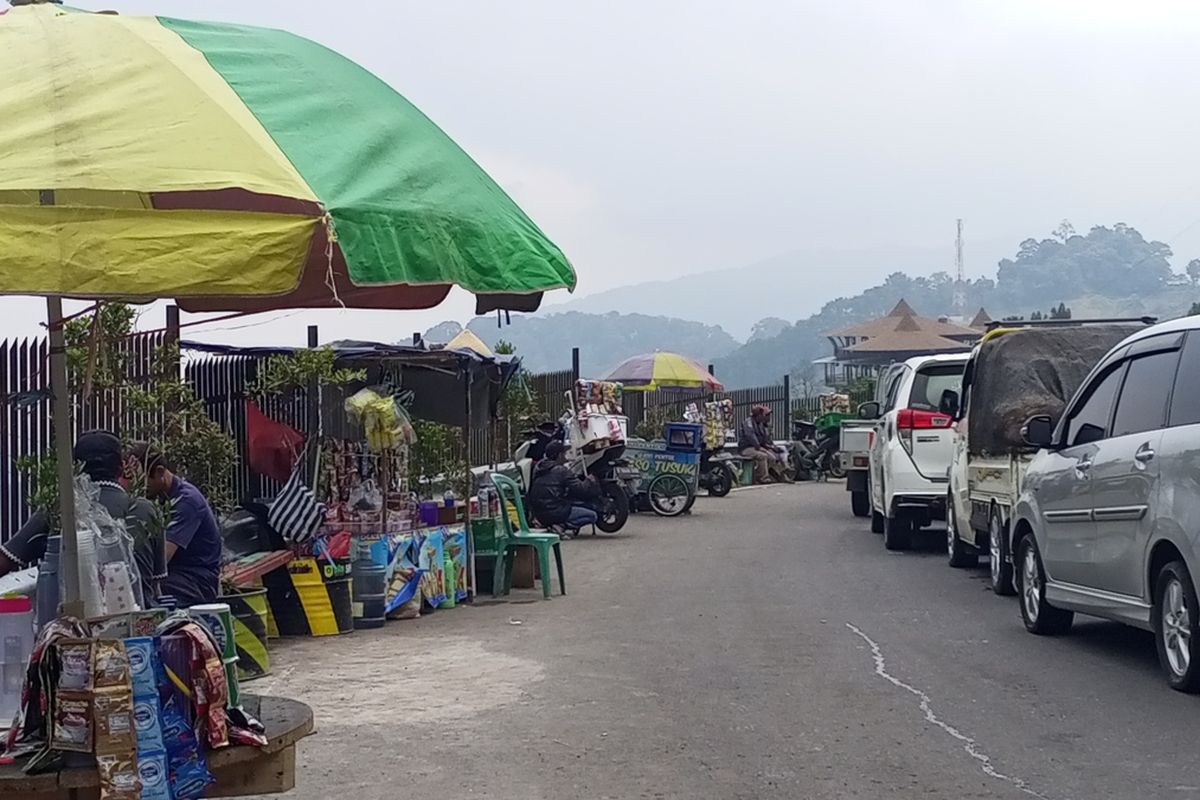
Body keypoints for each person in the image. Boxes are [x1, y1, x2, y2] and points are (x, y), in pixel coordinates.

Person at [0, 431, 166, 597]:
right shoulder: (146, 510)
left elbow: (7, 559)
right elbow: (156, 586)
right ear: (122, 467)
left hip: (74, 618)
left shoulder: (59, 509)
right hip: (139, 618)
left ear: (76, 467)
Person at [128, 442, 221, 608]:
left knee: (145, 591)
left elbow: (163, 557)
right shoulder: (157, 496)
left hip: (195, 578)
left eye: (142, 483)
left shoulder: (187, 502)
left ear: (160, 472)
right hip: (175, 573)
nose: (139, 489)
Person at [527, 441, 599, 533]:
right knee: (592, 516)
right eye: (564, 453)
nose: (565, 456)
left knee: (572, 505)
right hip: (556, 512)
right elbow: (581, 489)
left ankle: (545, 524)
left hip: (539, 514)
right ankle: (560, 526)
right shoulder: (561, 470)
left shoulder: (538, 468)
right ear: (559, 455)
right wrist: (589, 480)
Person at [739, 406, 775, 483]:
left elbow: (764, 438)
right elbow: (750, 435)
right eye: (762, 415)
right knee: (762, 456)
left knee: (772, 457)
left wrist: (768, 447)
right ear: (757, 415)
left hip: (756, 447)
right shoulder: (748, 422)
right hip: (746, 448)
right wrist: (758, 447)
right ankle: (762, 478)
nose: (763, 417)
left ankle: (759, 475)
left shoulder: (761, 424)